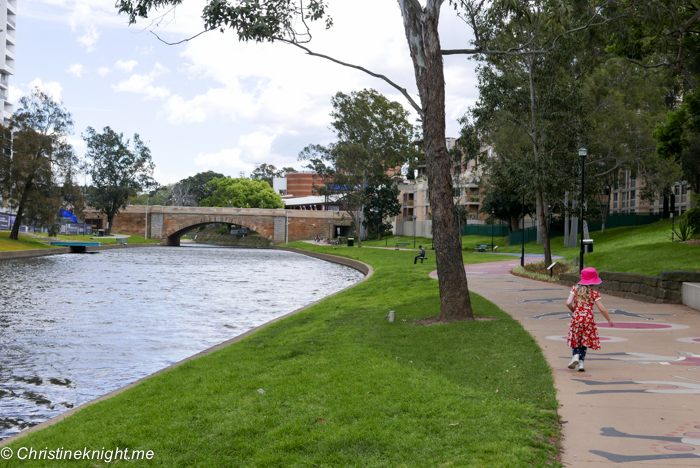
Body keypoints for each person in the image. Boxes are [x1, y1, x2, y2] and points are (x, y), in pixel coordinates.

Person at [565, 267, 614, 372]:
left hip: (577, 318)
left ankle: (575, 356)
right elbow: (601, 308)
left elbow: (568, 302)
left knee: (576, 337)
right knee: (584, 339)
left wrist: (574, 310)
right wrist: (609, 319)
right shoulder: (594, 293)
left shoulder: (574, 289)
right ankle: (581, 363)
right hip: (588, 319)